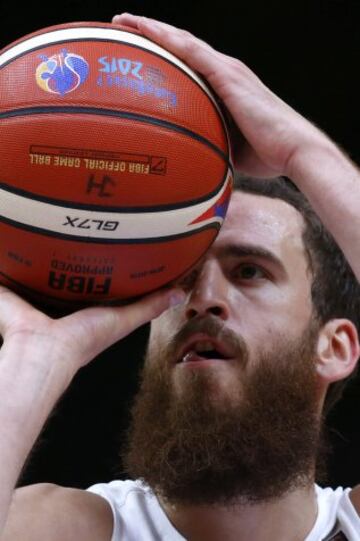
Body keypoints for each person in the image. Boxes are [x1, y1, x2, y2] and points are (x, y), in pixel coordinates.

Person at [0, 12, 360, 541]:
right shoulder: (66, 527)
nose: (204, 299)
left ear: (335, 347)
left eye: (249, 271)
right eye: (183, 279)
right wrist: (32, 357)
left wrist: (300, 152)